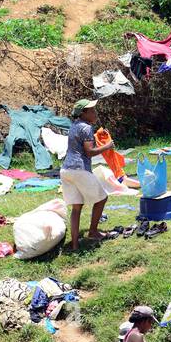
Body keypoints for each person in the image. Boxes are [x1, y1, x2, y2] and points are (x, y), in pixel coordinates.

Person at [60, 98, 114, 250]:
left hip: (66, 170)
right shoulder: (86, 128)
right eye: (91, 110)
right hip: (79, 169)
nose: (95, 112)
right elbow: (89, 152)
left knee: (76, 208)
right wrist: (108, 146)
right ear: (83, 113)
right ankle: (93, 232)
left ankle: (76, 244)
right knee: (102, 198)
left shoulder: (74, 126)